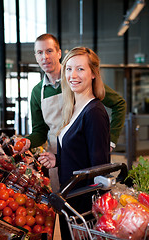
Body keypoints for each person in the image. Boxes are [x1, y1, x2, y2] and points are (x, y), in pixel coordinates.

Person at [18, 33, 126, 191]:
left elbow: (119, 104)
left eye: (49, 51)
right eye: (39, 53)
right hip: (61, 158)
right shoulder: (37, 92)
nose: (45, 57)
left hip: (83, 169)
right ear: (35, 56)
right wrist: (28, 142)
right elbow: (40, 131)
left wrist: (110, 141)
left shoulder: (84, 93)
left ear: (59, 53)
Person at [38, 46, 110, 240]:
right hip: (68, 200)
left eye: (80, 69)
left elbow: (100, 169)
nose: (72, 75)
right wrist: (57, 159)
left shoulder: (94, 112)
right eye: (68, 69)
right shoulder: (73, 108)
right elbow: (79, 152)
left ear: (93, 73)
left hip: (83, 209)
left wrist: (93, 213)